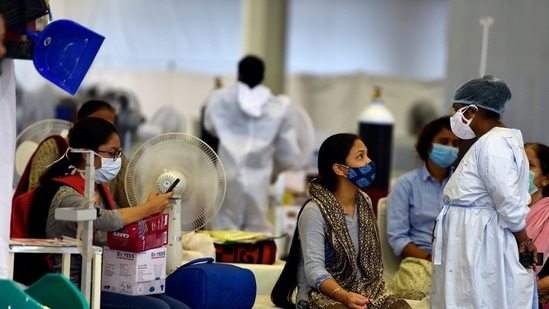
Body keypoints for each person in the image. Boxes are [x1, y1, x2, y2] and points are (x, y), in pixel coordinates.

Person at [35, 117, 189, 309]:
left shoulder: (101, 191)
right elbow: (106, 220)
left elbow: (113, 232)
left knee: (180, 307)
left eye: (118, 154)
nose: (117, 161)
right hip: (74, 287)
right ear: (86, 154)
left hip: (103, 279)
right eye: (112, 154)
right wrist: (148, 208)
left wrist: (150, 213)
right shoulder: (65, 194)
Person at [430, 75, 537, 308]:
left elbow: (506, 199)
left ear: (471, 112)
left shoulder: (494, 144)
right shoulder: (490, 142)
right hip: (471, 236)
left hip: (478, 240)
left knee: (476, 298)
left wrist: (523, 240)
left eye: (457, 110)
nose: (454, 117)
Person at [271, 133, 411, 309]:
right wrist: (345, 297)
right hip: (320, 293)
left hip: (364, 288)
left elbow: (368, 263)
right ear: (339, 169)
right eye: (360, 156)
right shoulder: (314, 211)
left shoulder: (365, 201)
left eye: (367, 155)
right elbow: (314, 270)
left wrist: (360, 296)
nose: (369, 162)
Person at [204, 55, 300, 233]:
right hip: (259, 181)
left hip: (227, 177)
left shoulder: (220, 99)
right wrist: (274, 173)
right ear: (263, 76)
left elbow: (209, 126)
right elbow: (288, 154)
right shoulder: (279, 106)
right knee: (256, 236)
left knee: (223, 235)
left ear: (238, 75)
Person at [385, 116, 459, 300]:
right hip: (420, 261)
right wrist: (429, 258)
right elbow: (398, 238)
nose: (450, 147)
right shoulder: (405, 185)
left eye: (455, 143)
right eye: (444, 141)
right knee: (420, 292)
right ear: (428, 146)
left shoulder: (464, 185)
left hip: (458, 261)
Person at [13, 99, 131, 208]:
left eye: (110, 125)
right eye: (98, 123)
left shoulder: (116, 157)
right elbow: (35, 198)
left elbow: (129, 200)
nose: (106, 130)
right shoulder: (64, 191)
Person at [524, 143, 549, 308]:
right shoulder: (503, 211)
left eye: (529, 165)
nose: (521, 170)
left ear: (545, 179)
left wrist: (527, 291)